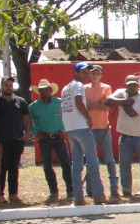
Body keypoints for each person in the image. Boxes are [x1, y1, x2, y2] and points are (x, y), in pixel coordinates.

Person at [62, 63, 105, 205]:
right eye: (83, 72)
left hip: (70, 128)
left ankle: (79, 198)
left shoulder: (65, 88)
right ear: (75, 73)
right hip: (81, 126)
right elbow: (79, 102)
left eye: (88, 72)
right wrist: (88, 117)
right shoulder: (78, 86)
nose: (86, 75)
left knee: (76, 164)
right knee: (92, 161)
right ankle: (99, 195)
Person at [0, 76, 31, 205]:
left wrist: (26, 134)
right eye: (6, 85)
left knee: (14, 167)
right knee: (1, 167)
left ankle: (13, 194)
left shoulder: (20, 101)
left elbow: (27, 119)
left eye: (10, 85)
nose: (8, 87)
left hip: (17, 139)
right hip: (1, 141)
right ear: (1, 86)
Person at [107, 75, 140, 197]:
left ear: (138, 85)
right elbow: (108, 101)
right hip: (126, 135)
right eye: (129, 85)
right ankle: (126, 189)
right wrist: (124, 101)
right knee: (124, 163)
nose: (132, 87)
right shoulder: (121, 93)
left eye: (134, 85)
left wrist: (122, 103)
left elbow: (132, 113)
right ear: (125, 85)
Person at [28, 78, 73, 201]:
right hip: (44, 138)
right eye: (41, 90)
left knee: (66, 164)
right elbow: (28, 121)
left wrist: (63, 130)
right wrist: (36, 133)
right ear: (39, 92)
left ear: (51, 90)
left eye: (46, 90)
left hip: (58, 137)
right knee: (47, 166)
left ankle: (70, 190)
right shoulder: (33, 106)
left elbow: (68, 117)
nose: (44, 92)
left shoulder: (60, 102)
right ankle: (53, 191)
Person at [85, 64, 120, 200]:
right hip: (89, 128)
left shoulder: (106, 88)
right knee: (90, 159)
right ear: (90, 75)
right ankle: (90, 188)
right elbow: (83, 106)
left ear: (101, 75)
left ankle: (114, 188)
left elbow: (106, 107)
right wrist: (97, 105)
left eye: (97, 74)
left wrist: (91, 105)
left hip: (104, 127)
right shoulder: (84, 88)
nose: (95, 76)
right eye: (93, 73)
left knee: (109, 159)